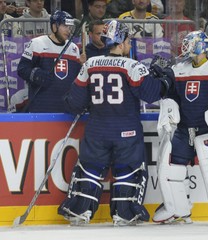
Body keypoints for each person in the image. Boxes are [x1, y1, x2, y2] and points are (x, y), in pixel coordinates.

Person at [57, 20, 175, 226]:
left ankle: (79, 211)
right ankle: (124, 214)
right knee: (127, 171)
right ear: (120, 43)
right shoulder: (132, 66)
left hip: (96, 130)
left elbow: (74, 102)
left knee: (90, 169)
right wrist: (163, 77)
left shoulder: (90, 64)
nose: (130, 44)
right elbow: (151, 93)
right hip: (126, 130)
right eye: (128, 40)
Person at [152, 30, 208, 226]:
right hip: (184, 130)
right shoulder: (179, 69)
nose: (184, 48)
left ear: (200, 46)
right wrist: (169, 106)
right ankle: (178, 210)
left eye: (188, 44)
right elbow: (171, 94)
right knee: (171, 169)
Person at [17, 10, 81, 113]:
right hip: (41, 108)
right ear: (54, 26)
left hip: (65, 109)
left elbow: (77, 79)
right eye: (65, 26)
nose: (68, 30)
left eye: (70, 27)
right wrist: (36, 74)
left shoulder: (74, 48)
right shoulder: (37, 43)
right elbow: (22, 69)